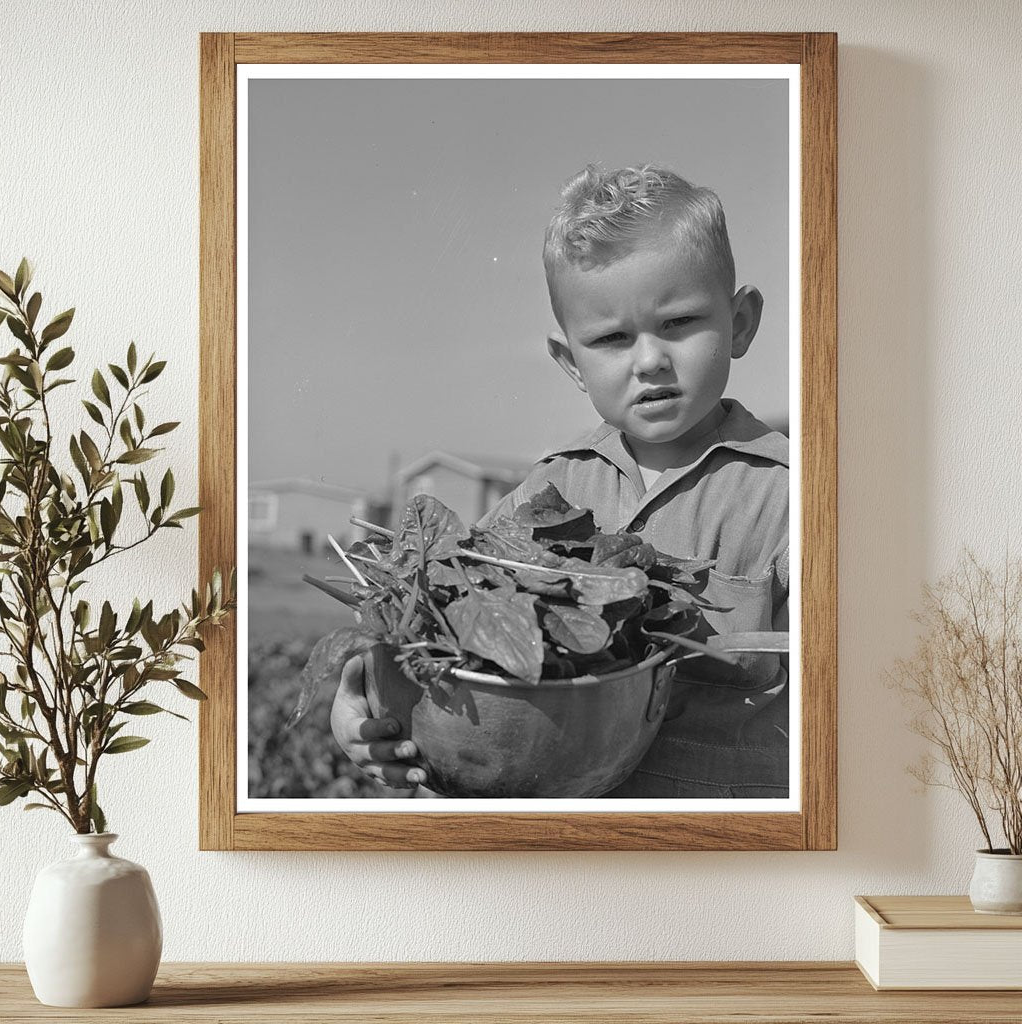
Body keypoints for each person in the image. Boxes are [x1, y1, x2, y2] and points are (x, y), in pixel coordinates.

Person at [332, 164, 789, 798]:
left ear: (739, 323)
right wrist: (360, 697)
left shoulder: (791, 496)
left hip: (725, 841)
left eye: (679, 322)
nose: (651, 359)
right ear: (571, 362)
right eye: (611, 338)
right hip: (563, 833)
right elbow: (440, 620)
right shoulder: (550, 491)